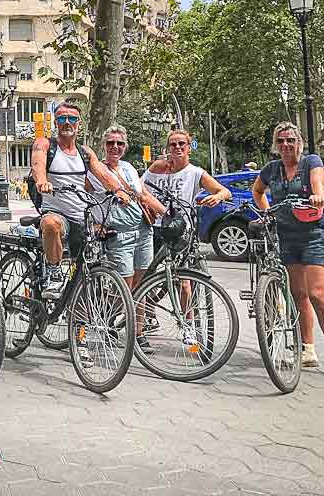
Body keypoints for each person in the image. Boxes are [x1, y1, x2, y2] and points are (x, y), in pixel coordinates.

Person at [252, 121, 324, 380]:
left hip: (314, 233)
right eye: (281, 141)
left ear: (299, 143)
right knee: (298, 294)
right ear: (276, 145)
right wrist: (265, 214)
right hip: (286, 235)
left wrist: (318, 196)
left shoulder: (311, 163)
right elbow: (257, 191)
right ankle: (307, 349)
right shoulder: (272, 169)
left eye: (290, 141)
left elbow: (319, 185)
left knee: (317, 294)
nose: (286, 145)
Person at [31, 101, 133, 300]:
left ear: (79, 123)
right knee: (51, 224)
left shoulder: (85, 153)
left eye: (72, 119)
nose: (67, 123)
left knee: (85, 272)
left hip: (82, 218)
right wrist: (42, 181)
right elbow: (38, 164)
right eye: (62, 118)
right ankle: (53, 273)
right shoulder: (45, 144)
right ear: (55, 122)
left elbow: (103, 175)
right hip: (57, 213)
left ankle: (80, 318)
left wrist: (119, 190)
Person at [142, 129, 232, 345]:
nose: (177, 148)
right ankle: (142, 319)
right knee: (143, 277)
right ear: (167, 149)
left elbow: (224, 191)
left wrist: (216, 197)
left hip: (181, 231)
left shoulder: (195, 173)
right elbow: (138, 188)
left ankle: (187, 325)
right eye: (173, 144)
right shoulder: (156, 168)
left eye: (182, 144)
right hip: (154, 227)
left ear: (189, 147)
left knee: (184, 282)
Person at [88, 125, 166, 354]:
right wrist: (94, 223)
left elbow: (143, 195)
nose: (115, 147)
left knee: (141, 287)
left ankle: (138, 333)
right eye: (110, 143)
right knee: (125, 288)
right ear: (103, 145)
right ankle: (105, 319)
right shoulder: (96, 170)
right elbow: (85, 200)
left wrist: (167, 213)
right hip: (119, 233)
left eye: (119, 143)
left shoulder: (129, 168)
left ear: (125, 146)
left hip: (143, 230)